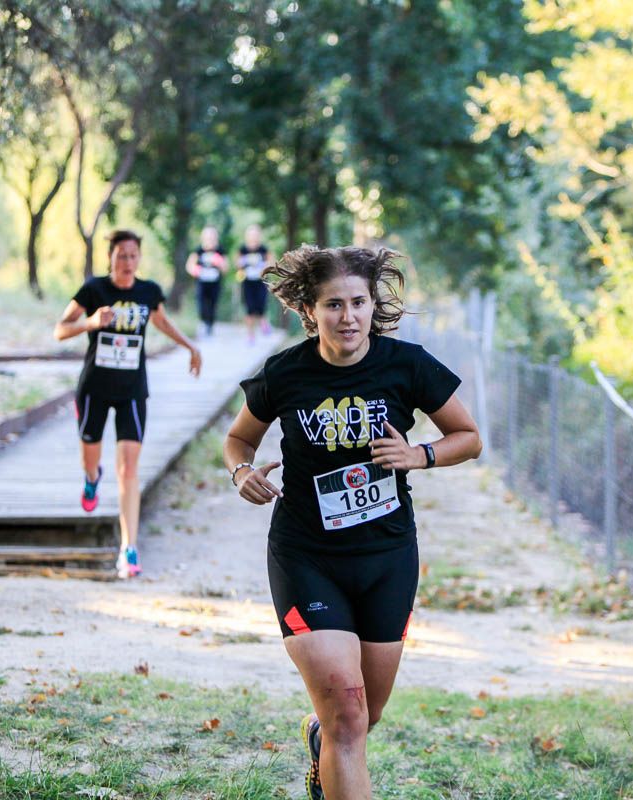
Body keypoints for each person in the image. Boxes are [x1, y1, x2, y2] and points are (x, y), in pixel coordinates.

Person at [223, 245, 482, 799]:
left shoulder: (406, 365)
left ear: (373, 305)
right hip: (305, 556)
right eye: (333, 304)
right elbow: (238, 438)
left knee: (366, 715)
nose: (348, 316)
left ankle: (322, 742)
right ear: (310, 311)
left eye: (358, 302)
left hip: (387, 557)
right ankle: (332, 738)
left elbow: (469, 437)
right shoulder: (286, 372)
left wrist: (422, 455)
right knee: (348, 713)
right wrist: (241, 470)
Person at [55, 230, 202, 579]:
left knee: (129, 470)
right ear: (111, 257)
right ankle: (92, 478)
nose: (127, 261)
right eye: (121, 255)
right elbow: (60, 329)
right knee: (91, 456)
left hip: (132, 389)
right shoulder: (93, 290)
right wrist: (91, 322)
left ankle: (128, 549)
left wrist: (190, 347)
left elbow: (162, 321)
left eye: (133, 255)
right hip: (94, 387)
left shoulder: (148, 292)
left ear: (139, 259)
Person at [184, 225, 227, 338]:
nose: (210, 239)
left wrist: (219, 263)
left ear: (216, 237)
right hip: (201, 283)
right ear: (203, 237)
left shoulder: (220, 250)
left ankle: (210, 325)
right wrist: (195, 270)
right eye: (208, 236)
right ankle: (203, 322)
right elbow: (189, 266)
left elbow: (226, 268)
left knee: (212, 304)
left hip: (215, 283)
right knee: (201, 304)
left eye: (212, 236)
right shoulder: (198, 250)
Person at [235, 223, 273, 343]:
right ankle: (250, 335)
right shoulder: (243, 249)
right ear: (247, 236)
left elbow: (271, 262)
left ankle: (264, 324)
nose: (253, 237)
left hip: (261, 282)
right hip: (247, 282)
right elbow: (237, 264)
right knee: (249, 308)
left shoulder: (263, 249)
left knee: (261, 305)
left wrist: (264, 267)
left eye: (256, 234)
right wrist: (241, 264)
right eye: (251, 235)